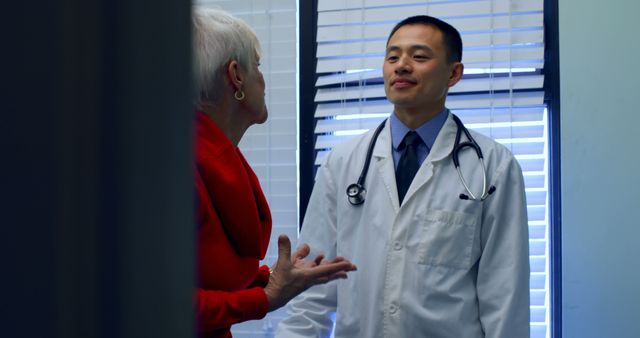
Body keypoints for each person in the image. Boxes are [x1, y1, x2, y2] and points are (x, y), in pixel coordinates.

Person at [276, 15, 530, 338]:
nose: (402, 66)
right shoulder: (343, 164)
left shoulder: (494, 167)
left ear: (454, 74)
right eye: (392, 56)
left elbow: (504, 296)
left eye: (419, 56)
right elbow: (310, 291)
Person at [192, 8, 357, 338]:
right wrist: (264, 298)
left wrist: (271, 279)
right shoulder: (174, 170)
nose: (263, 80)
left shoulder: (220, 160)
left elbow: (206, 279)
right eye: (258, 66)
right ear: (236, 76)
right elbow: (157, 301)